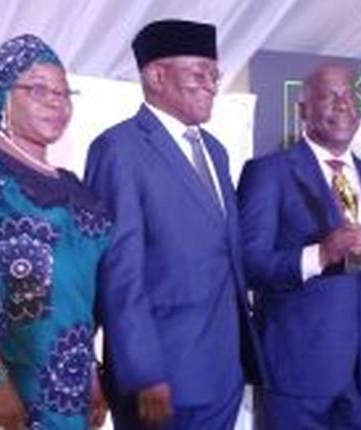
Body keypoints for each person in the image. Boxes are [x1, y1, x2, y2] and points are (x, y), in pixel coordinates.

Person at [84, 19, 261, 430]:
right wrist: (144, 372)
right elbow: (119, 272)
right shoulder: (119, 149)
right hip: (163, 377)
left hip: (224, 371)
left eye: (215, 76)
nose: (213, 86)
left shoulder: (215, 151)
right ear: (157, 76)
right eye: (199, 74)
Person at [0, 34, 109, 429]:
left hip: (66, 380)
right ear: (0, 94)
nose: (56, 101)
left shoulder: (76, 187)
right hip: (0, 379)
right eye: (38, 89)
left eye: (63, 91)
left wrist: (90, 373)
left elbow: (76, 294)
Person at [237, 64, 361, 429]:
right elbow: (248, 264)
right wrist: (319, 255)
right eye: (328, 96)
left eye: (349, 95)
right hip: (297, 374)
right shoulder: (268, 173)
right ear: (302, 109)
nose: (341, 105)